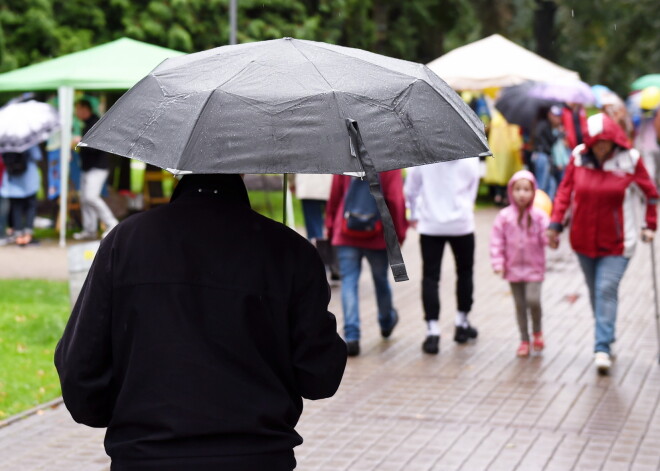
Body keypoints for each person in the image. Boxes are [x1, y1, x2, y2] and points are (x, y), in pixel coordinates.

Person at [55, 173, 347, 471]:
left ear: (176, 171)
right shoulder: (291, 251)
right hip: (257, 456)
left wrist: (128, 419)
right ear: (244, 168)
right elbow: (320, 377)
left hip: (146, 456)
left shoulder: (124, 242)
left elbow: (81, 373)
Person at [547, 113, 658, 375]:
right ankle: (606, 336)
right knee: (597, 292)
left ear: (614, 140)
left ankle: (602, 347)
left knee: (606, 288)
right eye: (596, 142)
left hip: (619, 242)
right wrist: (555, 224)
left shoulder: (629, 160)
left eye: (605, 142)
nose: (601, 147)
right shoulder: (578, 157)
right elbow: (565, 190)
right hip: (583, 240)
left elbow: (651, 195)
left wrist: (650, 225)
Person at [325, 171, 407, 356]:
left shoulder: (345, 155)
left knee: (348, 283)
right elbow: (395, 200)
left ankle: (352, 337)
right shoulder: (388, 162)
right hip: (377, 233)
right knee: (380, 280)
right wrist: (398, 233)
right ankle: (386, 322)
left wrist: (331, 227)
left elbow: (335, 195)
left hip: (346, 230)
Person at [404, 158, 480, 354]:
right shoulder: (469, 154)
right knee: (465, 272)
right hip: (462, 225)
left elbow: (411, 188)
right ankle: (461, 323)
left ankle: (433, 331)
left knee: (430, 277)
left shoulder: (423, 152)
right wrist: (464, 208)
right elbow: (473, 187)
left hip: (431, 224)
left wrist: (413, 213)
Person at [490, 170, 549, 357]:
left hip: (534, 268)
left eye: (526, 189)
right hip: (513, 269)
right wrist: (498, 263)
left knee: (533, 300)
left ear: (533, 192)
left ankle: (537, 331)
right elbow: (496, 241)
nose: (522, 194)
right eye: (518, 189)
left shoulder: (539, 217)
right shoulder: (504, 217)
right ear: (511, 191)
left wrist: (552, 238)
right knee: (520, 305)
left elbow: (547, 237)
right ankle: (524, 340)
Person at [71, 99, 118, 240]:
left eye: (78, 109)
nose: (76, 113)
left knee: (91, 197)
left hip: (98, 167)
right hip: (88, 167)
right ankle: (89, 229)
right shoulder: (87, 124)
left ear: (85, 109)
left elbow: (96, 147)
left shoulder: (96, 123)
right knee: (85, 199)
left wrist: (80, 141)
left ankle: (112, 223)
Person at [0, 145, 42, 246]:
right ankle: (27, 235)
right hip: (29, 179)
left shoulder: (7, 142)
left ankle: (18, 235)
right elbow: (37, 156)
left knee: (16, 208)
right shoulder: (29, 141)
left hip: (13, 180)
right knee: (30, 207)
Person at [532, 105, 568, 199]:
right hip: (542, 156)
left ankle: (548, 208)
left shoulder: (544, 125)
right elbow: (551, 141)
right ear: (549, 115)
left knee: (551, 185)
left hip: (545, 157)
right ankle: (539, 207)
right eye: (555, 116)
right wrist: (560, 134)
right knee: (542, 185)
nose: (557, 119)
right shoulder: (544, 125)